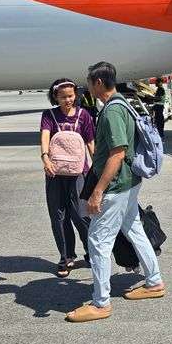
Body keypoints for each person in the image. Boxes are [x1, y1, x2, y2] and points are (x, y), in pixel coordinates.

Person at [66, 61, 165, 322]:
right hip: (129, 183)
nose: (85, 86)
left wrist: (98, 191)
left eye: (88, 81)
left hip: (116, 186)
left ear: (98, 83)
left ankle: (100, 303)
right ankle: (154, 281)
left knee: (98, 242)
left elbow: (117, 153)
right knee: (134, 230)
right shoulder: (122, 103)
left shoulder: (111, 112)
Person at [40, 79, 95, 278]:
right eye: (63, 97)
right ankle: (66, 257)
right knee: (59, 216)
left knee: (81, 215)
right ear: (55, 97)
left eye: (70, 96)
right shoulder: (49, 115)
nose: (67, 100)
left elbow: (90, 142)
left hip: (79, 172)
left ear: (76, 95)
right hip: (55, 172)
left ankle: (92, 251)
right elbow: (45, 136)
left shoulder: (84, 115)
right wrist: (45, 157)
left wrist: (97, 168)